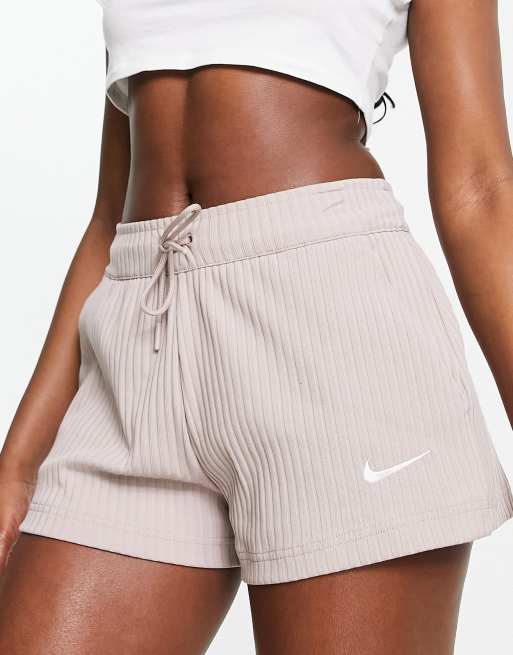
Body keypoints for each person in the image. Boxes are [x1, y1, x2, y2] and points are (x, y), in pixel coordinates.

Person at [1, 1, 512, 653]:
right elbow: (111, 216)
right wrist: (20, 462)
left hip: (332, 336)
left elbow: (480, 188)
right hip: (140, 331)